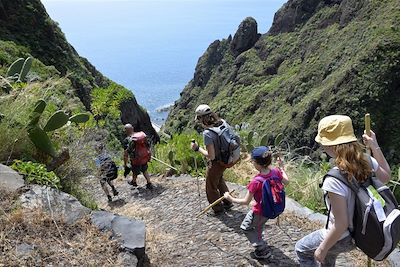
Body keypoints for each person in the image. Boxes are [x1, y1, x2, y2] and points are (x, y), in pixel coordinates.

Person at [295, 115, 391, 266]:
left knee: (301, 249)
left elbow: (341, 224)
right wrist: (374, 145)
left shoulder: (333, 179)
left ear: (331, 147)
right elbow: (386, 176)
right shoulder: (366, 160)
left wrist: (322, 248)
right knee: (328, 259)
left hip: (343, 237)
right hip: (360, 234)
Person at [224, 146, 289, 259]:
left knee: (246, 227)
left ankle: (261, 249)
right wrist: (282, 167)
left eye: (253, 161)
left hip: (259, 210)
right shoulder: (275, 172)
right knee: (259, 226)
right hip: (271, 209)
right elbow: (286, 181)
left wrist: (230, 198)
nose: (252, 163)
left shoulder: (256, 181)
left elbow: (245, 201)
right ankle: (259, 239)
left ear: (257, 163)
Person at [191, 104, 234, 214]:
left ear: (201, 119)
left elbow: (211, 156)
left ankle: (217, 208)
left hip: (217, 162)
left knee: (210, 185)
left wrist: (198, 148)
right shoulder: (222, 123)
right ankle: (228, 201)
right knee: (219, 180)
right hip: (227, 159)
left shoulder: (207, 134)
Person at [123, 124, 153, 190]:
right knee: (144, 170)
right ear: (132, 128)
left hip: (135, 159)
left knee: (134, 170)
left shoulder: (127, 140)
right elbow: (148, 145)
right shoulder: (140, 136)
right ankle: (149, 183)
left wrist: (125, 163)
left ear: (125, 131)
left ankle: (134, 182)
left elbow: (126, 153)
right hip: (144, 156)